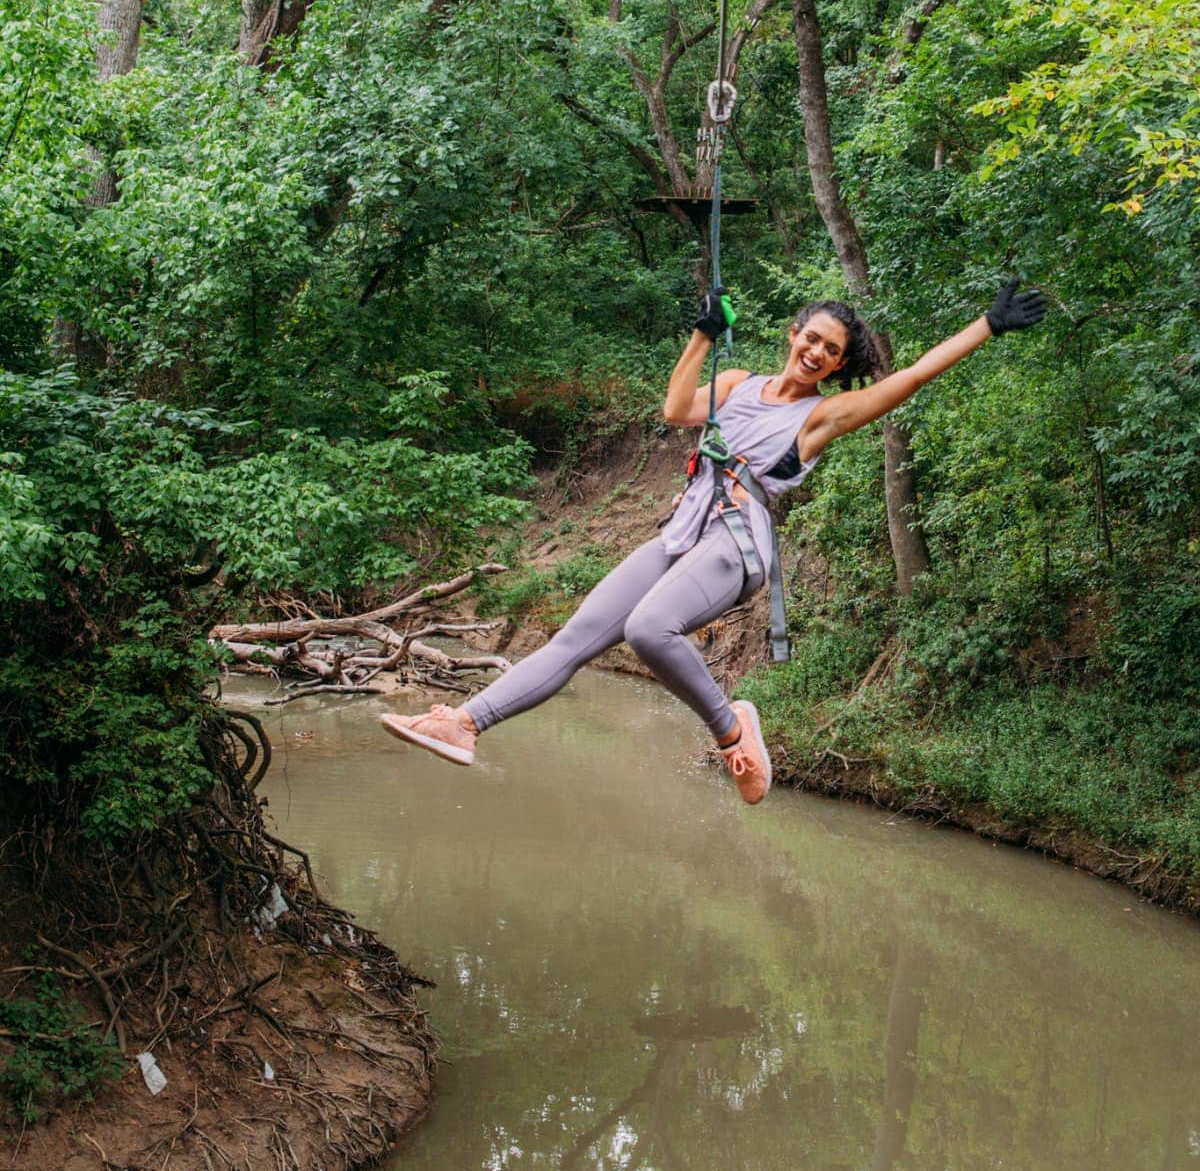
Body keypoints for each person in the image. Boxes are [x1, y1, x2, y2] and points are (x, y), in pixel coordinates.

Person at [381, 281, 1045, 804]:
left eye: (831, 352)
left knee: (647, 629)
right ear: (793, 334)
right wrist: (702, 334)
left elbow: (912, 379)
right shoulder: (736, 384)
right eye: (810, 338)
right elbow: (675, 409)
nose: (815, 353)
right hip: (682, 533)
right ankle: (464, 725)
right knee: (576, 638)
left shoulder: (819, 416)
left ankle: (732, 728)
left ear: (839, 365)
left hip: (737, 544)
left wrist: (986, 326)